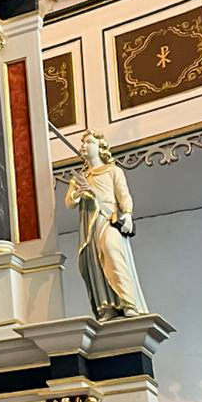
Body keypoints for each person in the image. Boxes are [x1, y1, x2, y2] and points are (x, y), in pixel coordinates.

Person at [65, 131, 148, 320]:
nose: (84, 146)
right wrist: (79, 193)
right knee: (94, 260)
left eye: (89, 142)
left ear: (100, 147)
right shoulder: (79, 178)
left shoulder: (113, 171)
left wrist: (127, 215)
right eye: (83, 143)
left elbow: (123, 195)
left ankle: (128, 302)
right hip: (89, 222)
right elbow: (69, 203)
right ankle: (107, 305)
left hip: (108, 217)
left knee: (111, 250)